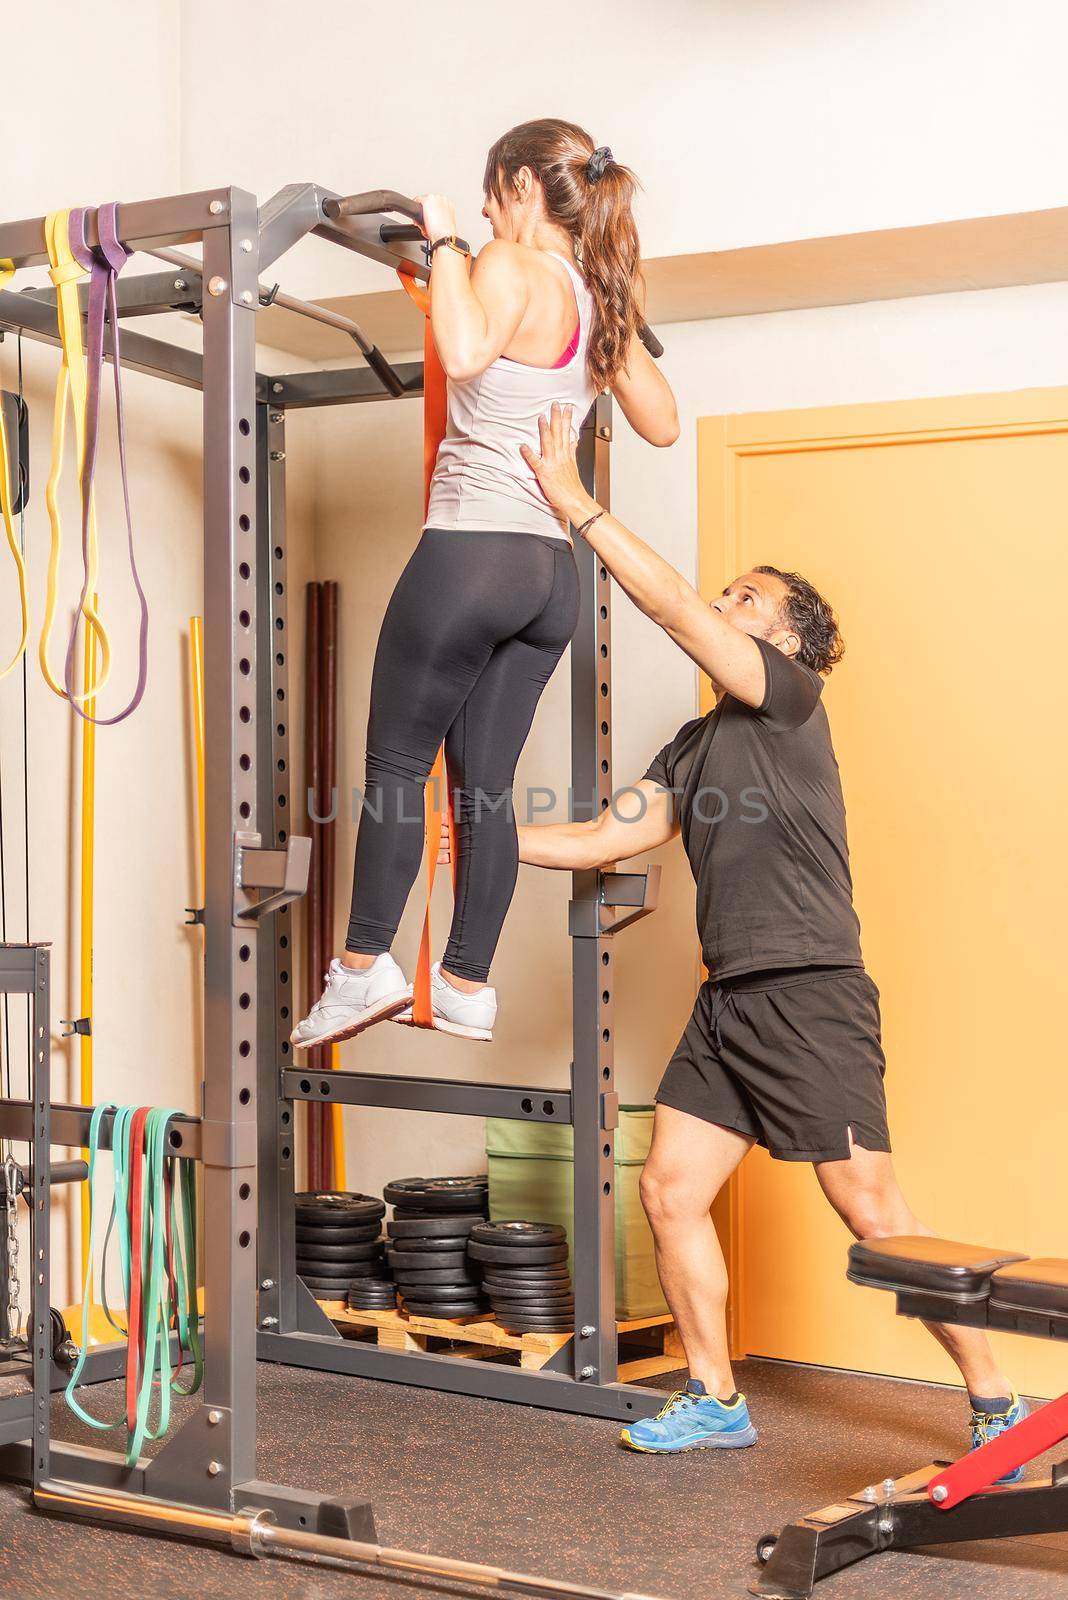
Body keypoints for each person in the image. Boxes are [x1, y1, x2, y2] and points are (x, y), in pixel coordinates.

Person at [514, 402, 1027, 1461]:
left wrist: (580, 509)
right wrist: (484, 840)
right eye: (728, 592)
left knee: (873, 1210)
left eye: (746, 599)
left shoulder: (787, 701)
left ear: (785, 640)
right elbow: (611, 836)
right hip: (729, 1002)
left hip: (809, 991)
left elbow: (668, 611)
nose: (723, 601)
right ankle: (716, 1396)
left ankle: (997, 1402)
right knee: (668, 1187)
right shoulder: (696, 746)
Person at [293, 119, 678, 1052]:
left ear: (513, 185)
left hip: (471, 555)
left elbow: (464, 354)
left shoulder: (507, 260)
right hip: (549, 575)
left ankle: (362, 967)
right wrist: (451, 270)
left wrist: (450, 238)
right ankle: (465, 982)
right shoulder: (599, 296)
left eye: (489, 192)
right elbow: (662, 422)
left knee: (395, 766)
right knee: (486, 791)